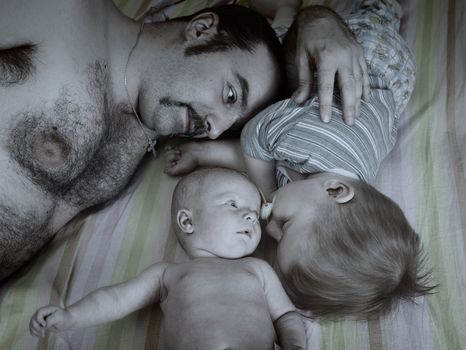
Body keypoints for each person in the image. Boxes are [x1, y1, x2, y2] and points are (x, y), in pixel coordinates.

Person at [0, 0, 368, 281]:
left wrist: (317, 20)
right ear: (201, 28)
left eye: (229, 125)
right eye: (228, 96)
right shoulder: (64, 12)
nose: (213, 129)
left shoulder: (151, 120)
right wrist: (318, 16)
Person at [164, 0, 435, 319]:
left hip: (385, 101)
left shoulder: (336, 189)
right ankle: (293, 12)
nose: (270, 227)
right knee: (280, 61)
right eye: (286, 225)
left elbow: (273, 160)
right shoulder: (309, 143)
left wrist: (203, 156)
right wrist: (263, 190)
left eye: (276, 241)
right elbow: (255, 136)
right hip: (372, 57)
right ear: (335, 190)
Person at [30, 168, 306, 350]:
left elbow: (286, 315)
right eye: (233, 204)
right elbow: (116, 299)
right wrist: (70, 316)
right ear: (187, 221)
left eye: (254, 214)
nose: (249, 216)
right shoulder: (168, 275)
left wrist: (294, 345)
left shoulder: (257, 269)